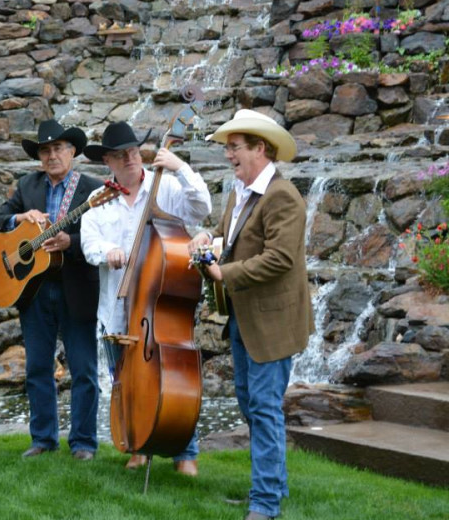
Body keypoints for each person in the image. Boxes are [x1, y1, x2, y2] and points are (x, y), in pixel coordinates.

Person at [188, 110, 314, 520]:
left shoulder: (282, 196)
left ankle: (265, 504)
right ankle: (272, 487)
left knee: (262, 407)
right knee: (250, 402)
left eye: (234, 147)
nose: (228, 155)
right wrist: (208, 236)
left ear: (260, 148)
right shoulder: (241, 192)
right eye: (228, 147)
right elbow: (230, 237)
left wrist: (223, 272)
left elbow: (279, 258)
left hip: (273, 323)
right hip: (244, 318)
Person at [80, 121, 212, 476]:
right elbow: (88, 241)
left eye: (134, 152)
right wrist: (107, 251)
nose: (130, 159)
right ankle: (137, 446)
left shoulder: (164, 187)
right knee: (125, 383)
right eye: (121, 155)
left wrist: (181, 168)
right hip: (117, 308)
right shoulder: (98, 199)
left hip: (159, 305)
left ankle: (186, 451)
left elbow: (202, 209)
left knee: (173, 379)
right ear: (107, 161)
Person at [0, 119, 102, 461]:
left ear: (72, 152)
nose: (52, 155)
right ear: (39, 156)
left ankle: (83, 443)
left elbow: (105, 237)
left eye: (58, 149)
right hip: (34, 289)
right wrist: (18, 219)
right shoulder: (28, 185)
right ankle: (43, 439)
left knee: (84, 369)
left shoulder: (94, 190)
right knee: (37, 367)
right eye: (45, 150)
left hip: (77, 288)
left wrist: (71, 242)